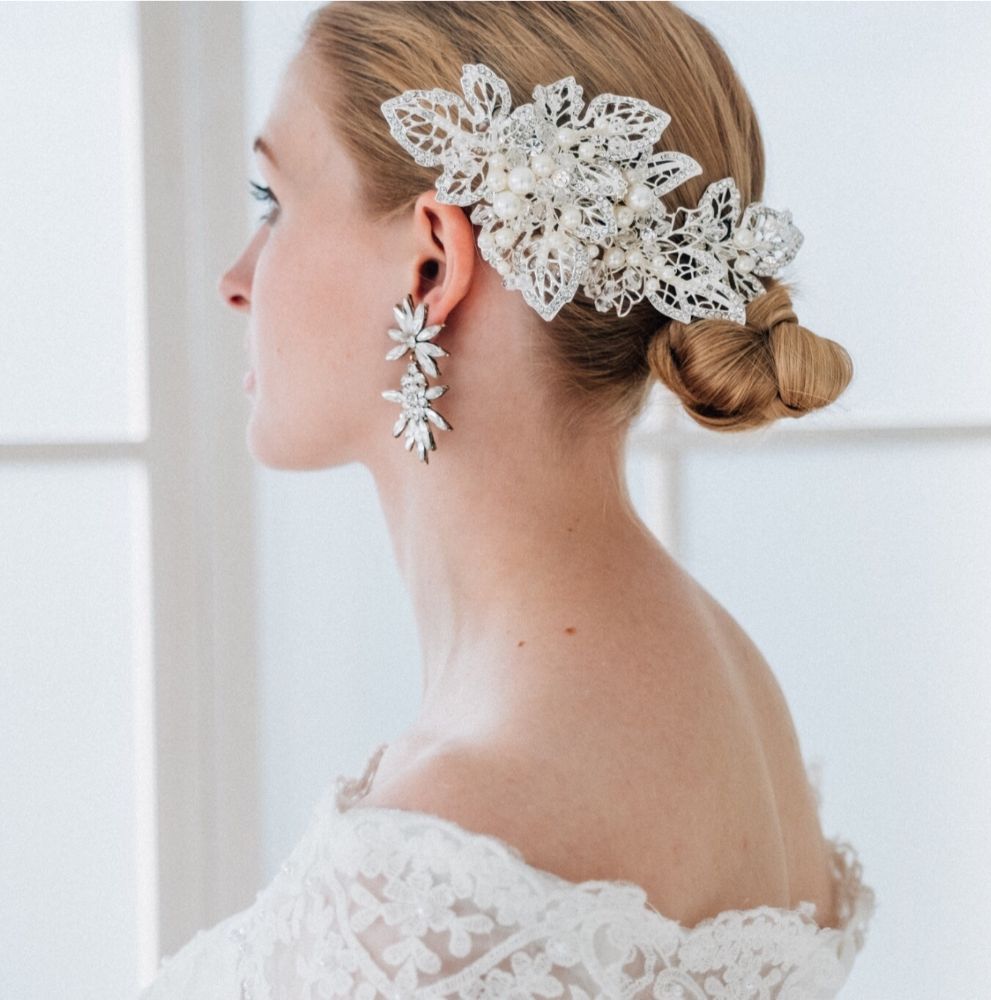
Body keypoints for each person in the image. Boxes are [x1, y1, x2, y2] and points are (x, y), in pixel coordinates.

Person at [142, 2, 876, 996]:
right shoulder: (731, 689)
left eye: (271, 201)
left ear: (432, 265)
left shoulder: (447, 851)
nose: (235, 280)